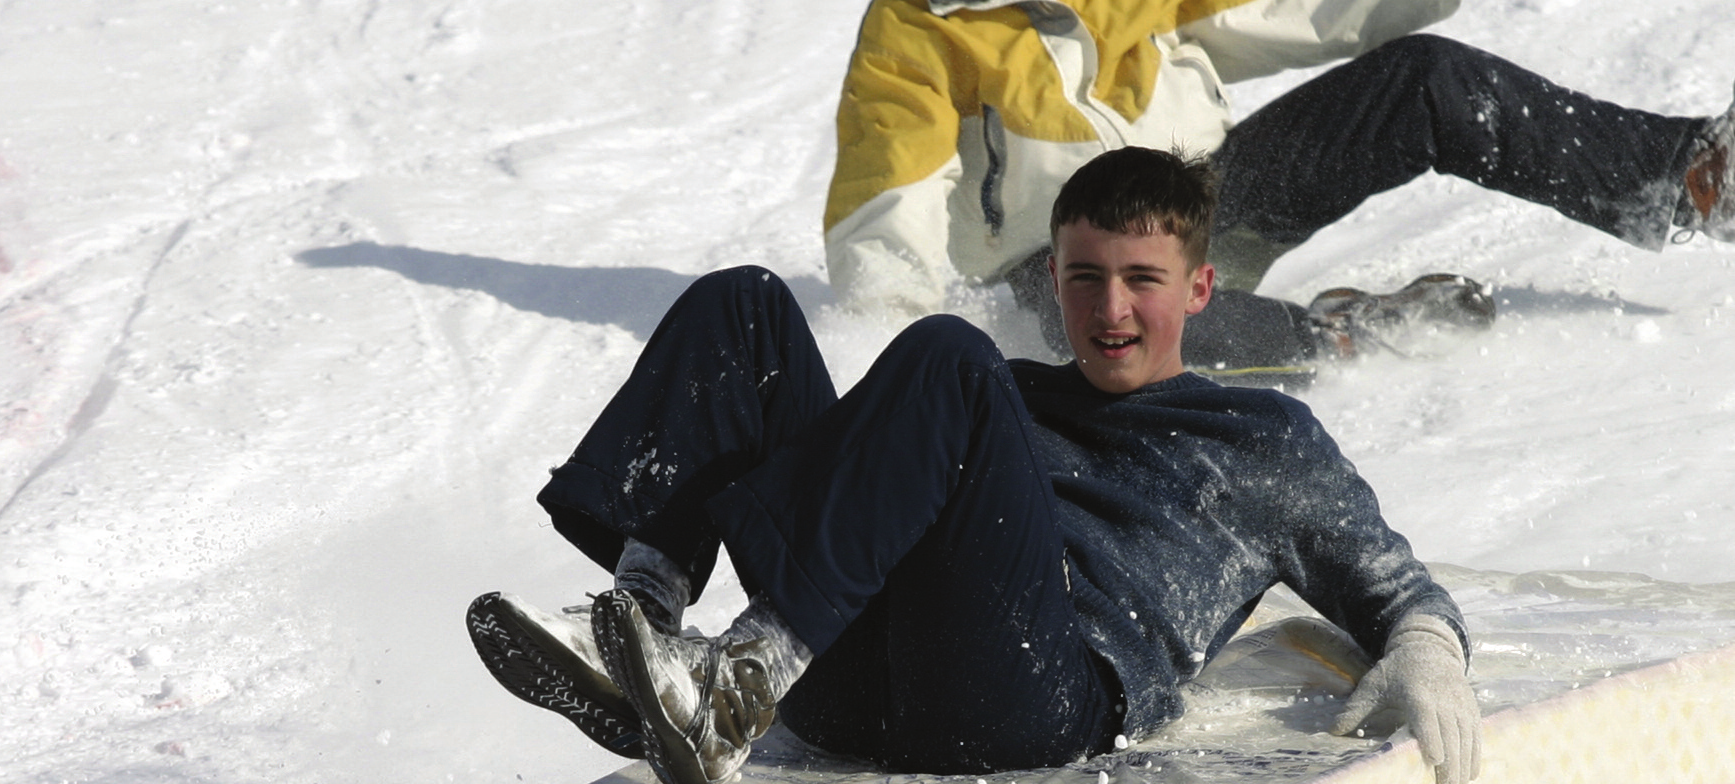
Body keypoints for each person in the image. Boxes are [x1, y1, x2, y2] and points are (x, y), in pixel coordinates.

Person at [466, 148, 1481, 784]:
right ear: (1054, 277)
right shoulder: (1012, 395)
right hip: (857, 687)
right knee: (747, 309)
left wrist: (1428, 648)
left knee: (949, 357)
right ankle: (645, 621)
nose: (1110, 308)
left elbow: (1390, 580)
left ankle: (745, 673)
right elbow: (859, 484)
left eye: (1142, 280)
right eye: (1084, 276)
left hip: (1038, 701)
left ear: (1203, 287)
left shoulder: (1261, 435)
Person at [822, 0, 1735, 373]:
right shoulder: (917, 30)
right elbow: (884, 193)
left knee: (1421, 79)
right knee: (1131, 311)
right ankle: (1329, 335)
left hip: (1203, 207)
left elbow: (1272, 9)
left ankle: (1690, 177)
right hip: (1059, 273)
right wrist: (896, 359)